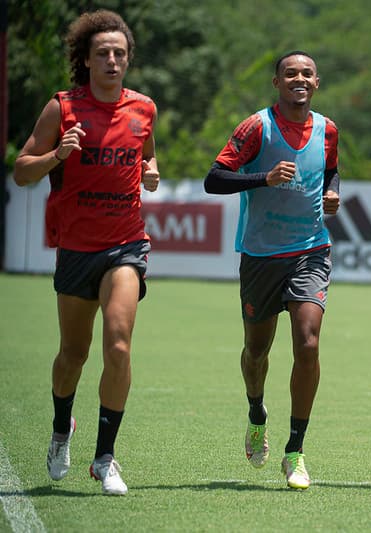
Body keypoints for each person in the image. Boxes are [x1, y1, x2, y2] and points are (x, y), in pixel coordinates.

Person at [13, 10, 159, 496]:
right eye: (103, 53)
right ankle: (61, 430)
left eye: (120, 53)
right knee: (72, 355)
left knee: (118, 343)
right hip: (76, 248)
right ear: (86, 59)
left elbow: (148, 153)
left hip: (126, 244)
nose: (113, 60)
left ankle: (105, 458)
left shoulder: (144, 109)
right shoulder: (62, 108)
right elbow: (21, 171)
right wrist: (57, 155)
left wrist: (151, 171)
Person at [204, 51, 340, 490]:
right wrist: (262, 178)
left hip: (311, 250)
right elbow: (215, 179)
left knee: (309, 342)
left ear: (316, 82)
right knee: (256, 352)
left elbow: (332, 171)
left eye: (306, 73)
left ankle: (295, 451)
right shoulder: (255, 127)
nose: (298, 79)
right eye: (290, 73)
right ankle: (256, 411)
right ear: (277, 82)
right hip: (261, 256)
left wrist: (332, 195)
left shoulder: (328, 129)